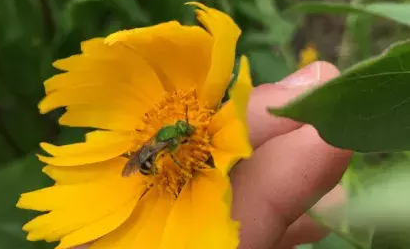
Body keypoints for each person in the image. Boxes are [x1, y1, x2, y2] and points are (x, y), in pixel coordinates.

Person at [74, 61, 352, 249]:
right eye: (186, 132)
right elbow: (170, 152)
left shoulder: (171, 134)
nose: (188, 130)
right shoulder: (173, 149)